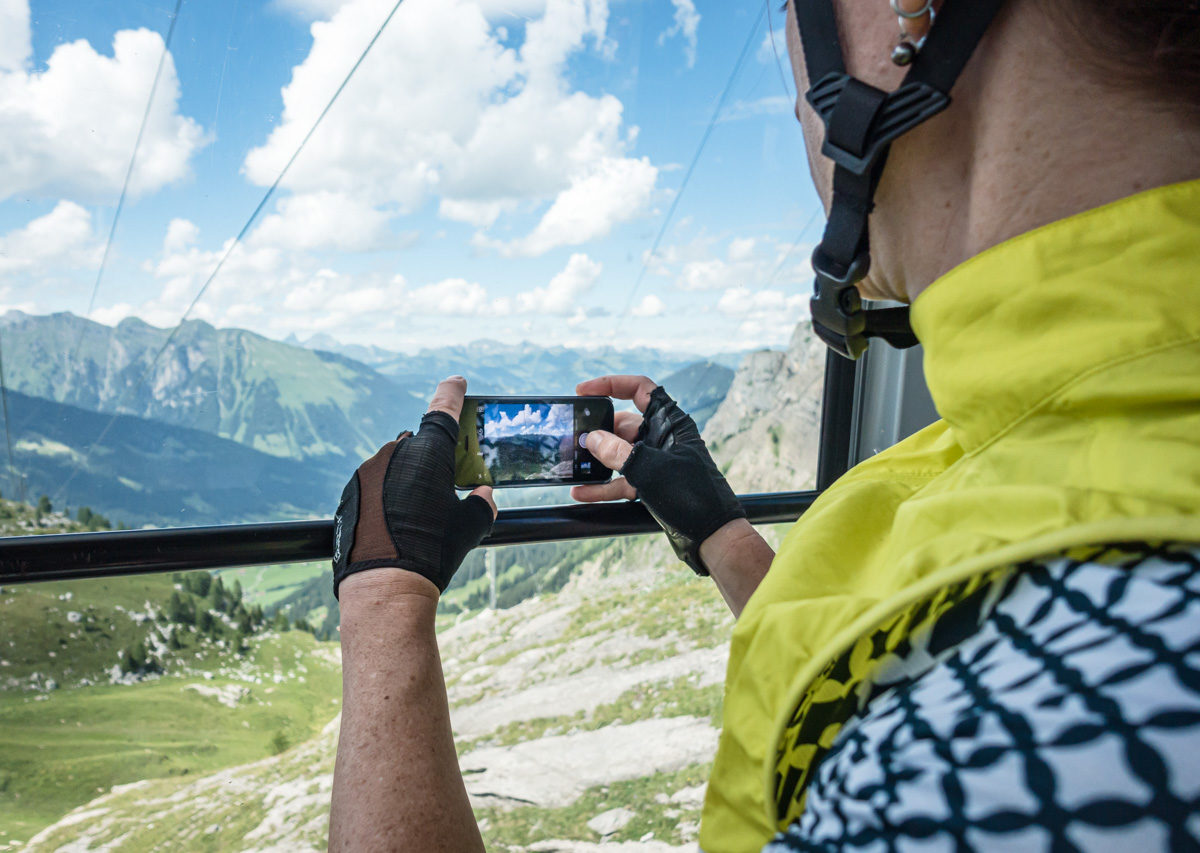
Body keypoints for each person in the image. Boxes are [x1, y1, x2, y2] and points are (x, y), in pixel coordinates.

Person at [327, 0, 1200, 848]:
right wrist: (723, 535)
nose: (795, 90)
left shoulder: (1007, 759)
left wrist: (384, 606)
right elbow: (883, 689)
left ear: (910, 13)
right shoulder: (1051, 446)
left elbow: (929, 732)